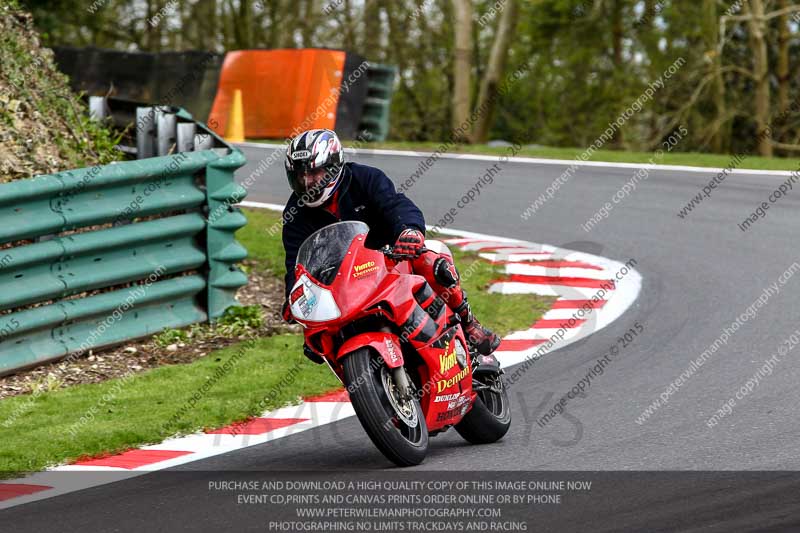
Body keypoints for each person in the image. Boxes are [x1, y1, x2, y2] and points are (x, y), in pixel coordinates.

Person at [280, 128, 500, 362]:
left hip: (390, 259)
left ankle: (469, 323)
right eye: (300, 175)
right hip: (342, 283)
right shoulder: (295, 212)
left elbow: (396, 205)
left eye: (315, 173)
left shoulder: (365, 178)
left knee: (431, 261)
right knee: (315, 342)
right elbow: (296, 263)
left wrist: (409, 231)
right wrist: (293, 296)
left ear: (334, 167)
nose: (307, 182)